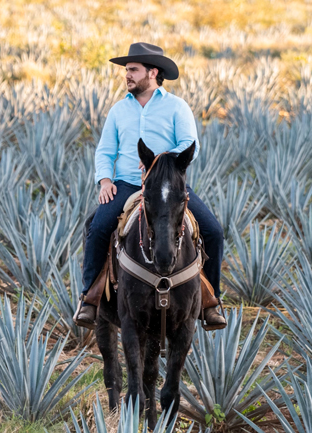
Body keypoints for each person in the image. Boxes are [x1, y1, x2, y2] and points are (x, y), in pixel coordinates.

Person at [74, 42, 226, 329]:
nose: (127, 75)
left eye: (133, 70)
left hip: (167, 187)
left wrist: (160, 162)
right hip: (128, 185)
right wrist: (105, 180)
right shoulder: (119, 110)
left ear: (152, 72)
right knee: (96, 227)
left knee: (213, 232)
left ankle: (211, 301)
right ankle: (90, 299)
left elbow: (190, 145)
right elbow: (105, 151)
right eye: (126, 70)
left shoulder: (176, 107)